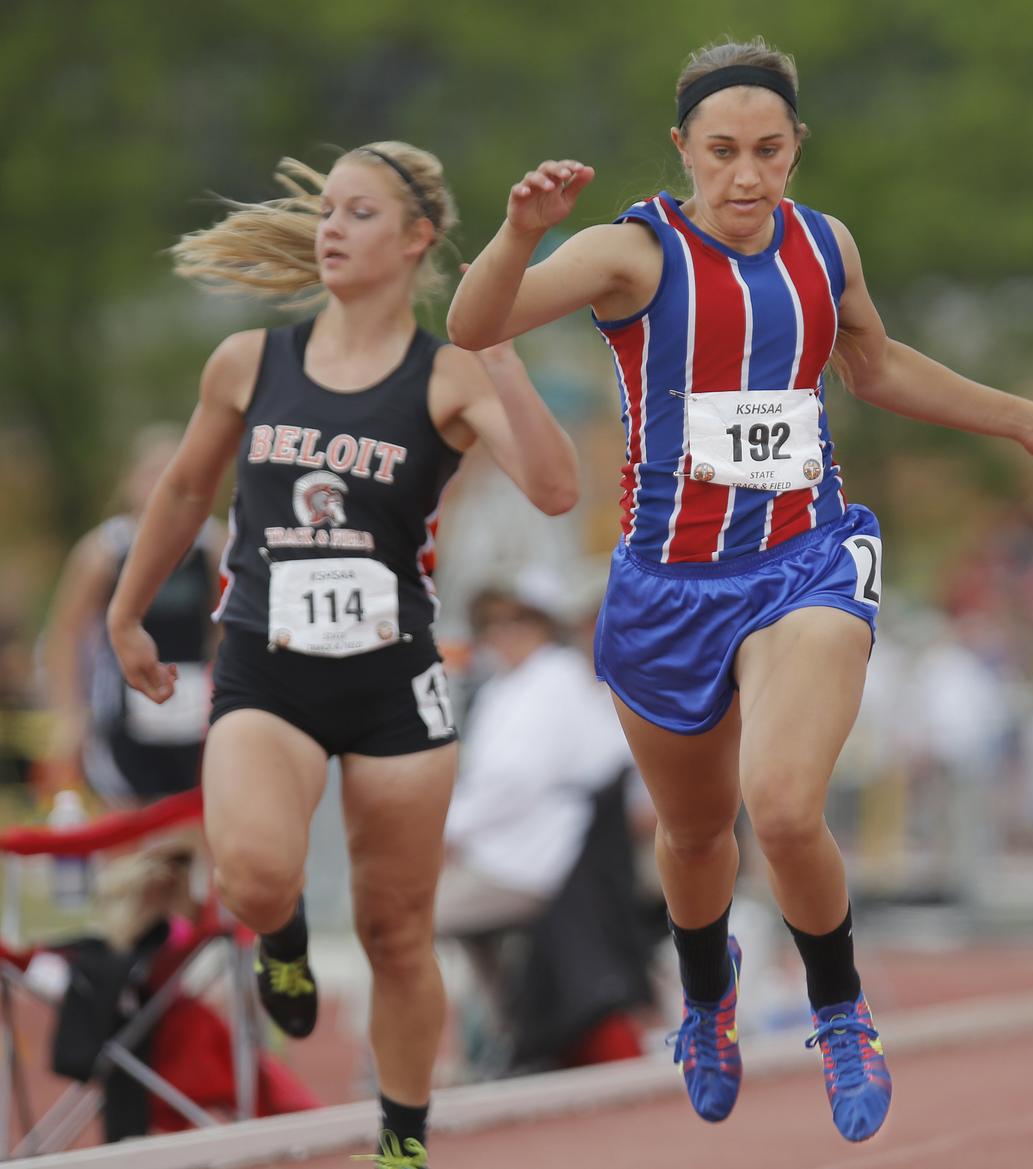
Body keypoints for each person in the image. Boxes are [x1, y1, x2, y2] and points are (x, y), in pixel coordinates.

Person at [447, 36, 1033, 1142]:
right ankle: (706, 996)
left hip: (803, 558)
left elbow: (877, 365)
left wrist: (1024, 415)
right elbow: (472, 326)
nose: (746, 176)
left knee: (786, 803)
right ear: (683, 151)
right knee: (695, 834)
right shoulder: (633, 254)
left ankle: (841, 1013)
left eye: (768, 150)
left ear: (798, 147)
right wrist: (521, 232)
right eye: (722, 152)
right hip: (667, 585)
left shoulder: (824, 244)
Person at [106, 141, 578, 1167]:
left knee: (397, 928)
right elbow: (187, 491)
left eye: (358, 213)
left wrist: (496, 341)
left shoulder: (447, 374)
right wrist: (127, 610)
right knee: (254, 873)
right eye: (325, 209)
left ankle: (401, 1141)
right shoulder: (249, 362)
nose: (329, 228)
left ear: (417, 240)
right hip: (266, 665)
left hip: (393, 679)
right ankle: (278, 941)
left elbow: (554, 487)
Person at [435, 574, 648, 1073]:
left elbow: (515, 782)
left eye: (516, 621)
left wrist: (446, 833)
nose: (502, 634)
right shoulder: (520, 685)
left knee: (403, 918)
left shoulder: (548, 684)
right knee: (440, 922)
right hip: (525, 851)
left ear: (541, 626)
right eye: (493, 624)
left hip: (535, 860)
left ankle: (431, 1057)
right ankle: (503, 1030)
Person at [40, 426, 224, 808]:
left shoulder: (214, 546)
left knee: (194, 824)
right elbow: (65, 636)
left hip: (194, 714)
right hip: (121, 719)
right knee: (129, 834)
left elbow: (226, 629)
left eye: (171, 471)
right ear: (129, 482)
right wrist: (69, 717)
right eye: (150, 472)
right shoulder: (101, 553)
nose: (160, 483)